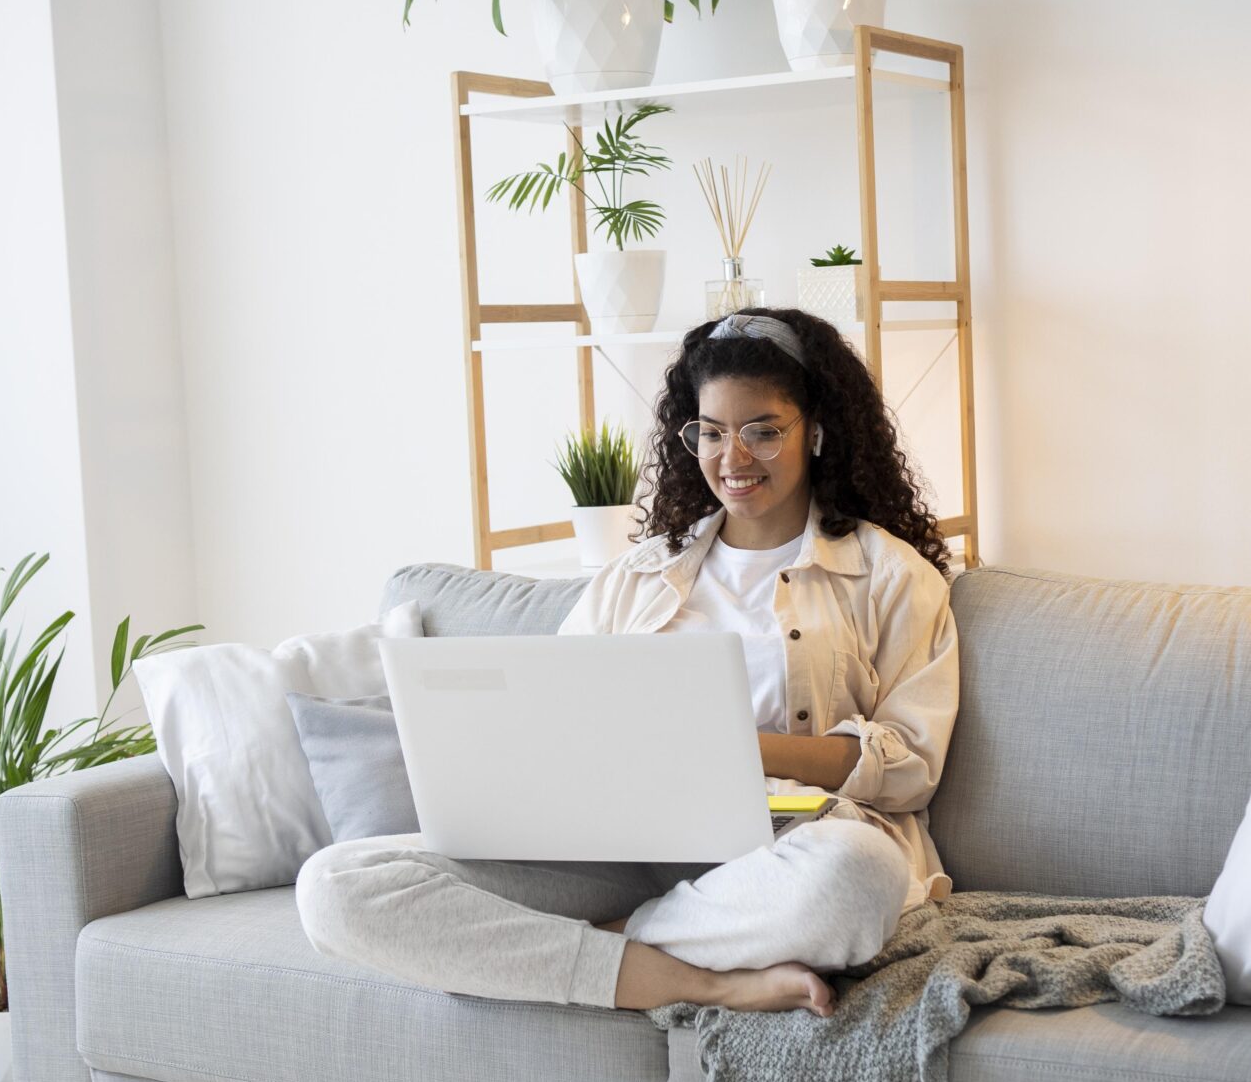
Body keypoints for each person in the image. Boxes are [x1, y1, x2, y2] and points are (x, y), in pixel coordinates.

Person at [296, 308, 960, 1017]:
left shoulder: (892, 576)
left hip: (783, 848)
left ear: (818, 430)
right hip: (620, 849)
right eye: (710, 432)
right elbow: (558, 714)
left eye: (763, 430)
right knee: (336, 885)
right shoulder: (639, 576)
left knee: (861, 875)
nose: (733, 458)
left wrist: (737, 748)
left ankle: (592, 950)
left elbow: (912, 766)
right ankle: (696, 976)